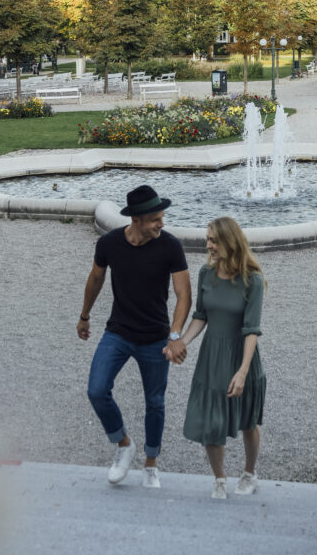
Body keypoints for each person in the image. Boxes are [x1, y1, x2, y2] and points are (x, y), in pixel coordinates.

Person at [79, 185, 191, 489]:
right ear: (137, 219)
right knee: (96, 390)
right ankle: (124, 444)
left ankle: (151, 463)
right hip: (119, 332)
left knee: (155, 401)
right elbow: (96, 278)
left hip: (156, 337)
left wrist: (175, 335)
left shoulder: (170, 246)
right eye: (155, 218)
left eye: (162, 217)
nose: (162, 224)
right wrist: (85, 315)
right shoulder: (109, 243)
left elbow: (184, 295)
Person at [172, 216, 267, 500]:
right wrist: (180, 343)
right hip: (212, 358)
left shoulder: (253, 281)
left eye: (213, 240)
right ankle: (220, 479)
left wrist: (242, 371)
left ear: (229, 242)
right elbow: (201, 316)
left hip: (242, 356)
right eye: (208, 239)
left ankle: (250, 473)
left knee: (248, 421)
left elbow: (252, 330)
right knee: (210, 422)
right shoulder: (205, 273)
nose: (208, 245)